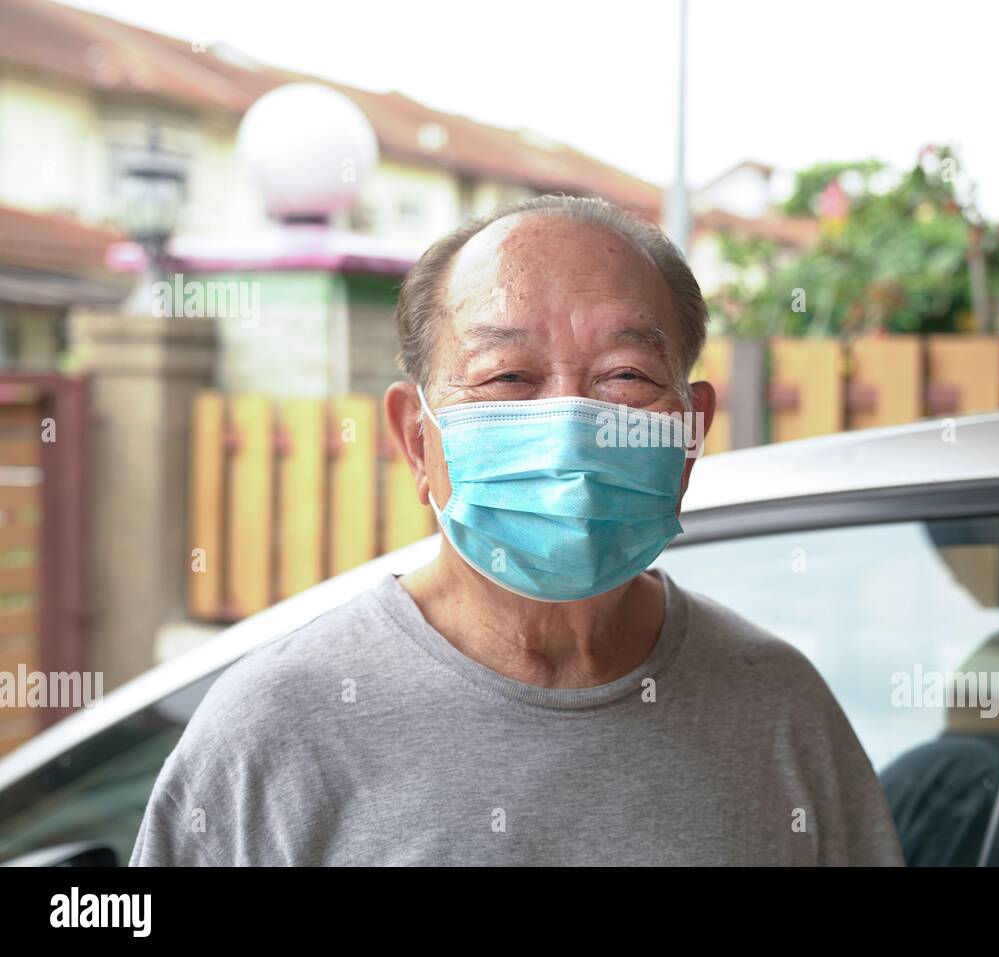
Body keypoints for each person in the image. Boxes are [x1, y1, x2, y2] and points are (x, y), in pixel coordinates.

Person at [129, 195, 903, 866]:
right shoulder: (274, 730)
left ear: (691, 432)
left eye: (625, 376)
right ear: (416, 439)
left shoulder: (779, 708)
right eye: (507, 378)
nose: (568, 426)